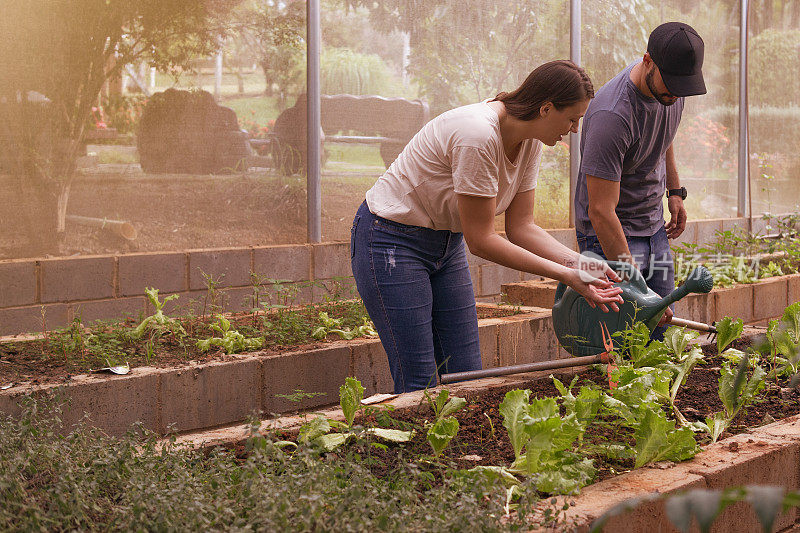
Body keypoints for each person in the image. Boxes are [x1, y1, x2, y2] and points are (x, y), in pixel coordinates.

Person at [351, 60, 624, 394]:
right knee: (418, 380)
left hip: (444, 245)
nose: (575, 129)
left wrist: (577, 262)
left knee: (468, 377)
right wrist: (566, 275)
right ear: (546, 108)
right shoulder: (478, 135)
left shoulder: (531, 140)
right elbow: (480, 240)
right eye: (572, 119)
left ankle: (460, 449)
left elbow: (522, 226)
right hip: (390, 242)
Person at [573, 22, 707, 340]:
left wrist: (675, 191)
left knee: (659, 336)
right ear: (647, 60)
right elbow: (600, 211)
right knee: (620, 342)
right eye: (670, 84)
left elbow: (665, 135)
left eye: (682, 86)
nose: (675, 93)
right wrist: (634, 284)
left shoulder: (671, 91)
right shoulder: (612, 115)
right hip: (608, 239)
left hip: (655, 233)